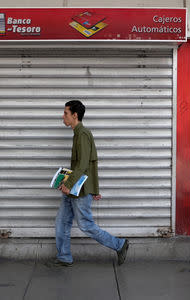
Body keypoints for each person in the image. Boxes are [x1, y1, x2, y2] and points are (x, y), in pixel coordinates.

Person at [53, 100, 129, 267]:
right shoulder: (78, 134)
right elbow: (89, 165)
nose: (63, 116)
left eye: (65, 113)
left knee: (86, 225)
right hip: (73, 188)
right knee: (62, 222)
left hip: (77, 189)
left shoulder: (83, 134)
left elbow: (84, 164)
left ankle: (119, 244)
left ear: (75, 115)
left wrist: (70, 184)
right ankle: (64, 257)